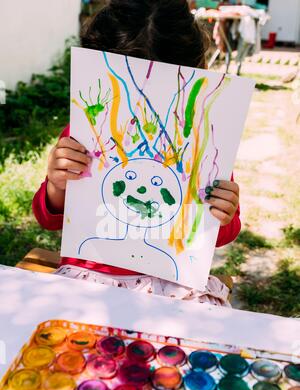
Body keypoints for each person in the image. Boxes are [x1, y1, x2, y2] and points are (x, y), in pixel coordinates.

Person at [33, 0, 241, 307]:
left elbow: (221, 235)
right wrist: (56, 185)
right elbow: (48, 218)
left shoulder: (203, 143)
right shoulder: (85, 134)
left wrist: (224, 214)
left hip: (175, 285)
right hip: (90, 278)